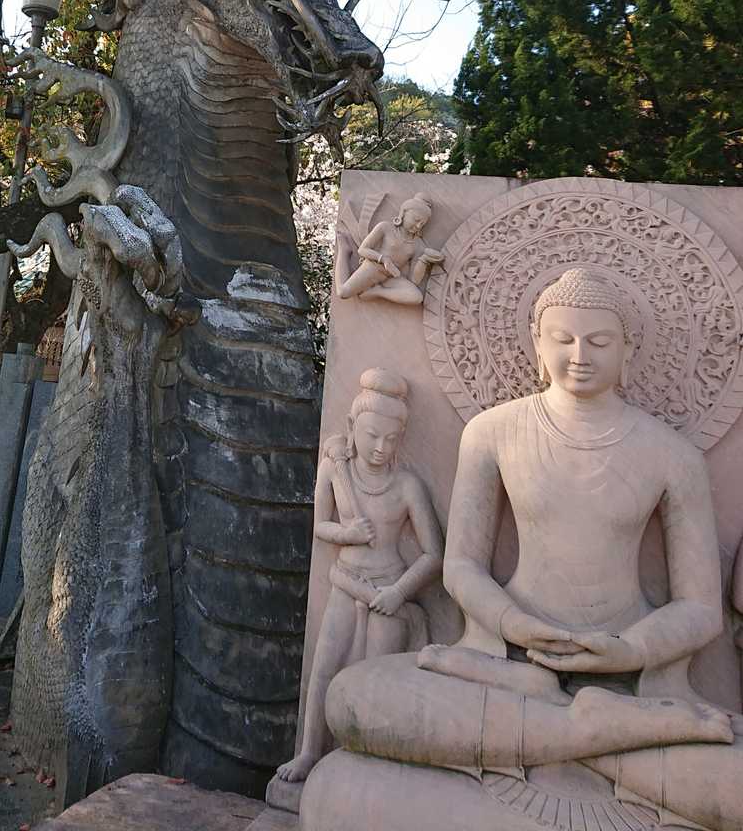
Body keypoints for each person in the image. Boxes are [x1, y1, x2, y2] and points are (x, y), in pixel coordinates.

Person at [318, 266, 743, 831]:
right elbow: (461, 567)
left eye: (599, 341)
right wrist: (514, 624)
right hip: (505, 665)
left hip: (631, 679)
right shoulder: (493, 432)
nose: (580, 355)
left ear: (628, 350)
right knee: (354, 697)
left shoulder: (672, 455)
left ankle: (583, 729)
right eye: (563, 339)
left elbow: (700, 608)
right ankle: (596, 735)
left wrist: (629, 651)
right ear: (537, 344)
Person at [275, 368, 443, 784]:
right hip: (345, 581)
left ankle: (368, 762)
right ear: (352, 427)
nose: (381, 448)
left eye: (391, 439)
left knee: (375, 679)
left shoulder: (407, 486)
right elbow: (320, 525)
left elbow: (433, 554)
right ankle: (310, 752)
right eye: (371, 436)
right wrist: (346, 533)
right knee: (325, 668)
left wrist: (399, 592)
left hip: (387, 590)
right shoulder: (335, 470)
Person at [336, 193, 445, 303]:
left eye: (422, 224)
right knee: (343, 292)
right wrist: (383, 259)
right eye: (416, 220)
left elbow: (413, 280)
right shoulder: (385, 227)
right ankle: (344, 251)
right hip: (373, 268)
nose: (418, 226)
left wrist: (424, 260)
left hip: (391, 276)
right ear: (403, 213)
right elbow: (363, 250)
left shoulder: (417, 244)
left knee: (416, 297)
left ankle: (377, 291)